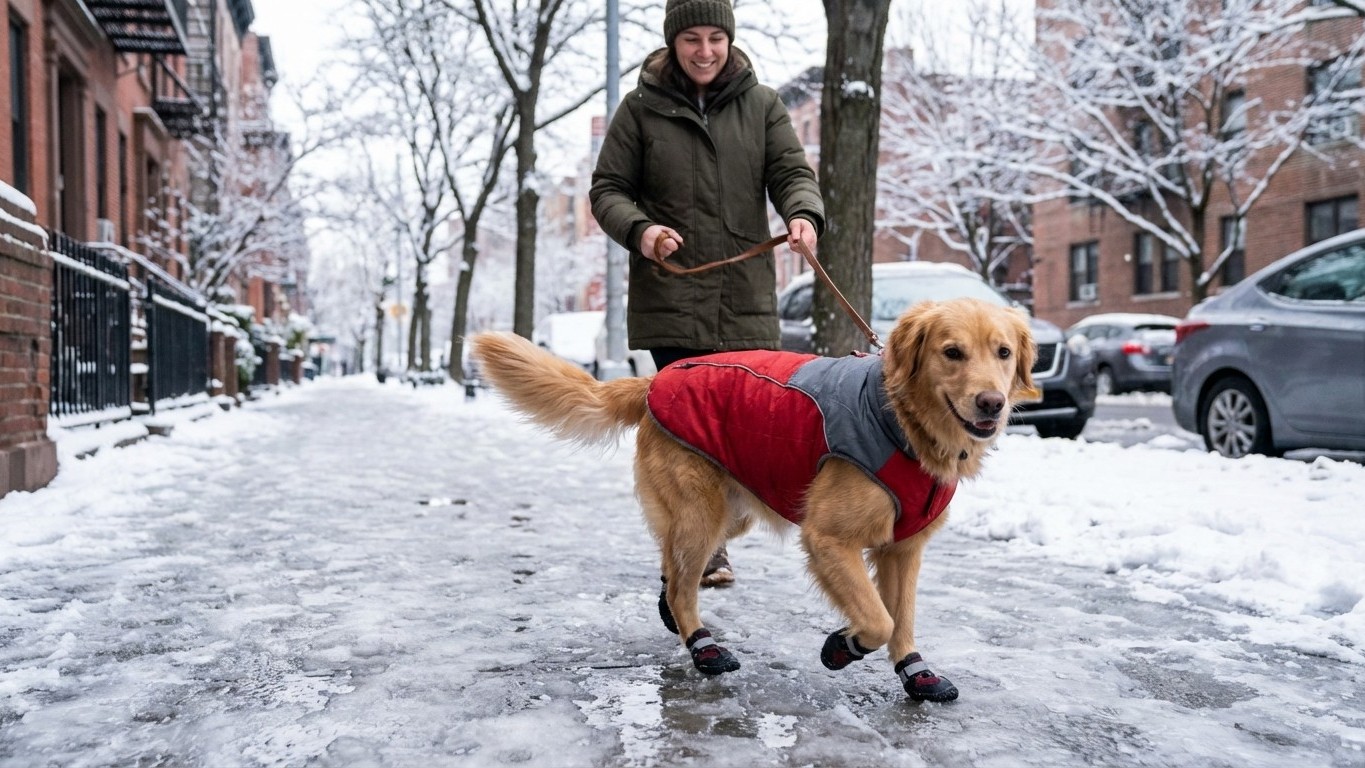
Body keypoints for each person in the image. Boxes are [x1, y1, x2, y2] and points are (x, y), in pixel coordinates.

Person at [589, 0, 825, 587]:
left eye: (714, 37)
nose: (704, 51)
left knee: (742, 425)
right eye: (691, 38)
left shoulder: (763, 104)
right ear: (673, 42)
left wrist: (803, 215)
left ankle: (715, 533)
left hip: (745, 297)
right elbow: (608, 189)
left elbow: (793, 172)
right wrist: (641, 232)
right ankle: (704, 545)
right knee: (688, 427)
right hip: (671, 295)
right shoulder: (640, 108)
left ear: (729, 39)